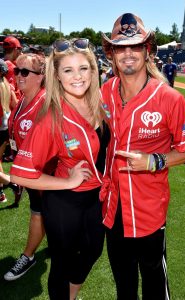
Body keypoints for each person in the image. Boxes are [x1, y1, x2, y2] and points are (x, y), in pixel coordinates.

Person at [100, 12, 185, 300]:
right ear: (112, 53)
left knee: (154, 283)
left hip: (149, 211)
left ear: (147, 51)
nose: (128, 53)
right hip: (112, 209)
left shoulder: (169, 98)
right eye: (120, 47)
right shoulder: (105, 92)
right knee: (124, 283)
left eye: (135, 46)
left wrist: (155, 160)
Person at [9, 38, 110, 300]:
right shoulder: (51, 115)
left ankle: (71, 294)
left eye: (83, 68)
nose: (77, 76)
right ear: (57, 75)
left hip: (95, 197)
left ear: (93, 70)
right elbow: (20, 173)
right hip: (65, 202)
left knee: (93, 251)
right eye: (68, 70)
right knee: (61, 265)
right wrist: (66, 182)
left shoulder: (98, 102)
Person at [3, 53, 47, 281]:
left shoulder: (46, 102)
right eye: (16, 71)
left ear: (40, 77)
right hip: (28, 173)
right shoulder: (23, 99)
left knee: (39, 213)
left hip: (45, 175)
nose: (17, 75)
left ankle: (28, 257)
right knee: (44, 214)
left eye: (24, 72)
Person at [0, 59, 18, 203]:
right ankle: (0, 193)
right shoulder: (6, 84)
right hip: (5, 127)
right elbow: (15, 104)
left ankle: (12, 183)